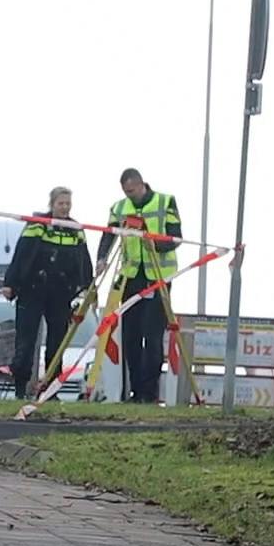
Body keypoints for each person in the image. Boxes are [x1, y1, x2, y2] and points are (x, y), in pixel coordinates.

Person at [96, 168, 181, 403]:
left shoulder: (166, 202)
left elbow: (176, 236)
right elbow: (109, 234)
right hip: (131, 276)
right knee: (131, 336)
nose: (130, 196)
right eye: (126, 192)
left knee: (152, 337)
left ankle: (149, 392)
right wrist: (102, 257)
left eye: (132, 191)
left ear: (142, 184)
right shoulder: (119, 207)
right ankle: (134, 390)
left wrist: (155, 244)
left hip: (158, 277)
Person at [5, 186, 93, 398]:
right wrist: (10, 283)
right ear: (52, 204)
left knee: (57, 343)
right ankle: (20, 388)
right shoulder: (38, 225)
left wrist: (89, 287)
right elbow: (21, 254)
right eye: (61, 203)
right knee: (25, 341)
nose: (64, 208)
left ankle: (51, 389)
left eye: (67, 204)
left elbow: (84, 260)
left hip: (61, 294)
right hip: (32, 290)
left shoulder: (76, 229)